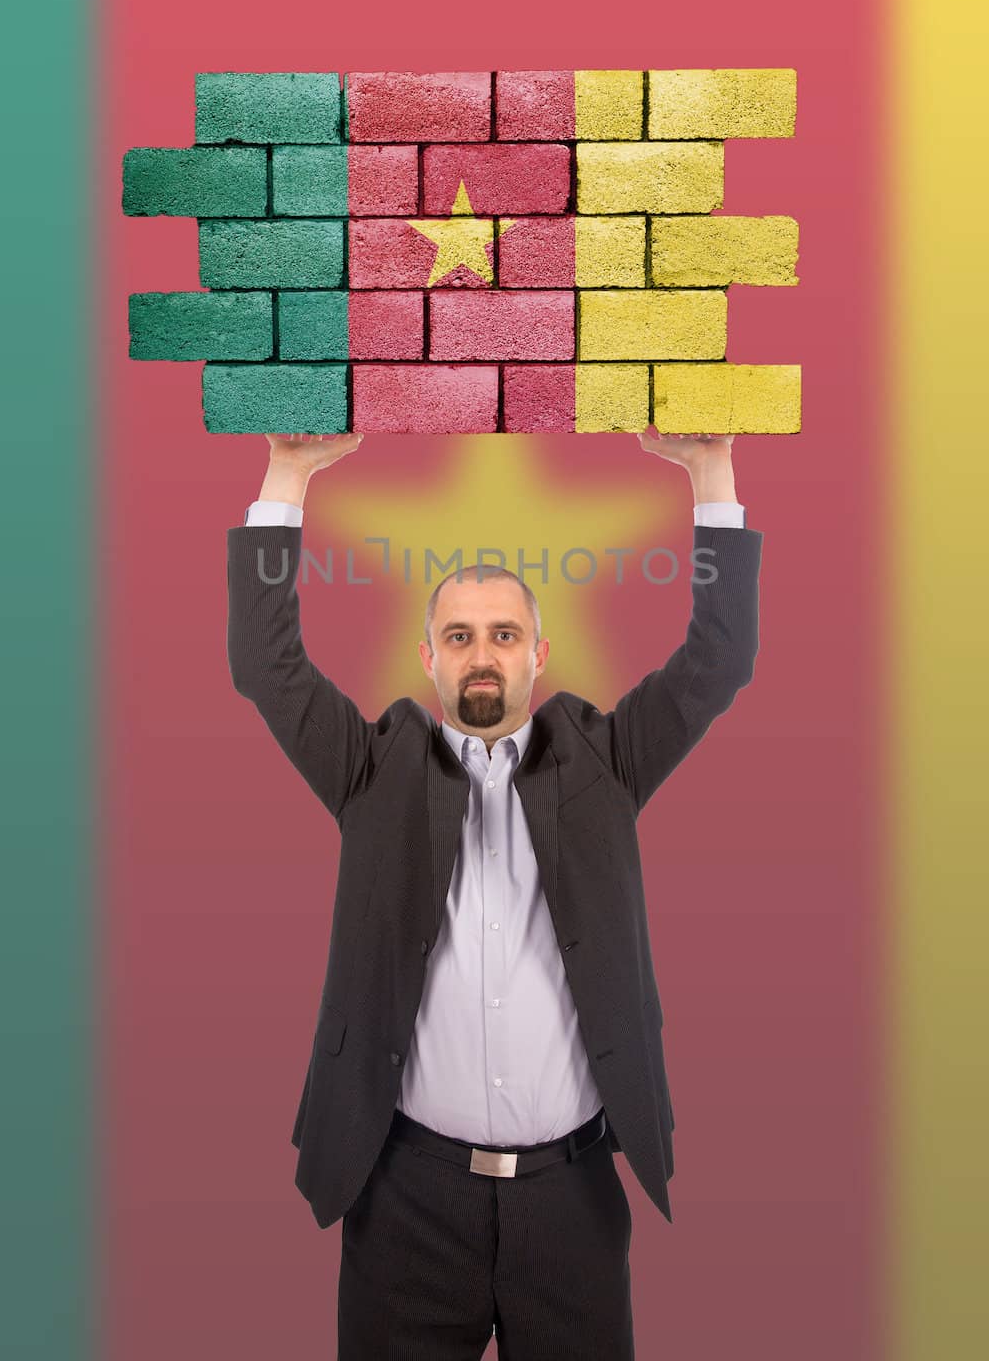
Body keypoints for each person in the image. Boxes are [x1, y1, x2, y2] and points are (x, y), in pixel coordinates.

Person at [227, 427, 763, 1360]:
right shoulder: (370, 770)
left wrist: (709, 470)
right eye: (460, 637)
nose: (484, 655)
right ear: (427, 657)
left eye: (504, 636)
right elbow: (264, 666)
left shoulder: (607, 759)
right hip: (403, 1198)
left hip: (574, 1202)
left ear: (539, 655)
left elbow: (717, 661)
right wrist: (290, 471)